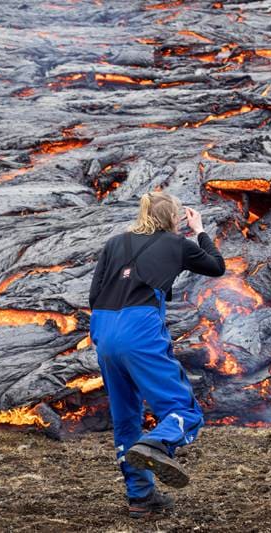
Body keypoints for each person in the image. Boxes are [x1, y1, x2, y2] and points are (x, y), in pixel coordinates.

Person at [88, 191, 225, 517]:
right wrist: (201, 230)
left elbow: (94, 294)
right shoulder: (176, 244)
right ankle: (157, 442)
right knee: (184, 411)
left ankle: (141, 498)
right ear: (175, 219)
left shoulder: (115, 242)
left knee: (126, 419)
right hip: (139, 330)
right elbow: (216, 266)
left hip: (103, 331)